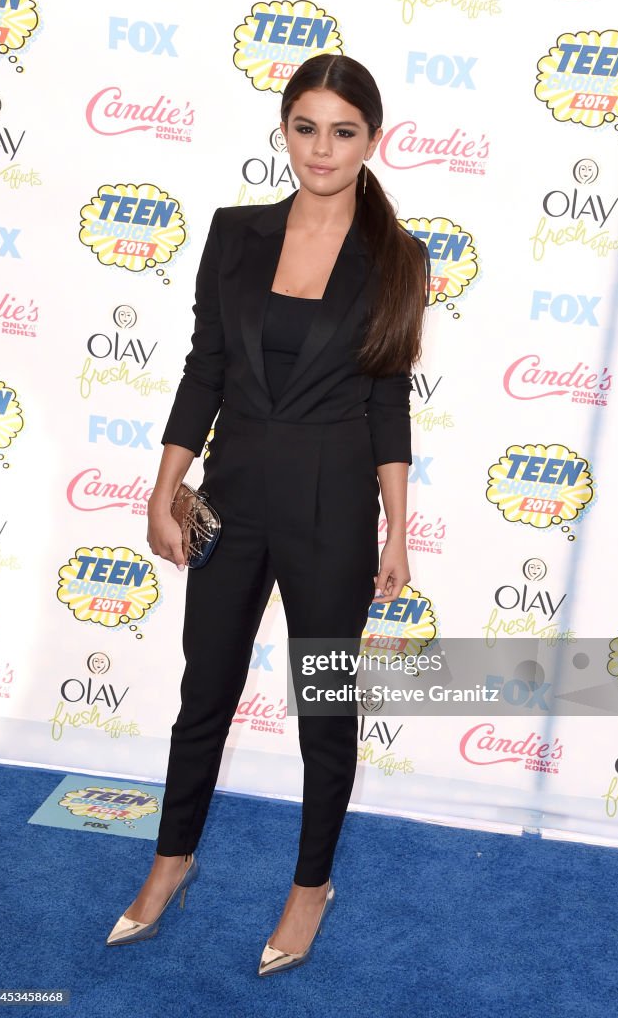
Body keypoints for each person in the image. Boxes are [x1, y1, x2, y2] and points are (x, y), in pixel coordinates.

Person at [105, 53, 429, 975]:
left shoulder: (397, 258)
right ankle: (170, 862)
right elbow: (204, 366)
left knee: (322, 706)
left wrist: (398, 526)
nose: (321, 149)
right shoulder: (233, 231)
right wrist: (164, 487)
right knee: (201, 694)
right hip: (233, 496)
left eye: (344, 131)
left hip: (333, 506)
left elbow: (388, 403)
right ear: (283, 130)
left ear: (373, 140)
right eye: (305, 127)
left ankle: (310, 886)